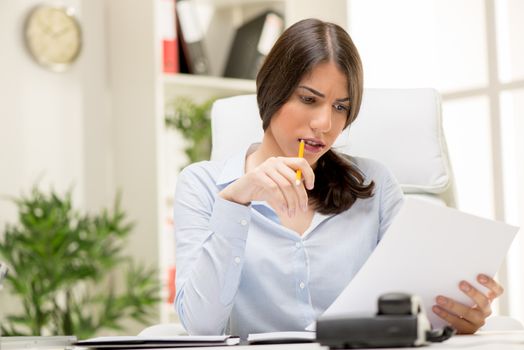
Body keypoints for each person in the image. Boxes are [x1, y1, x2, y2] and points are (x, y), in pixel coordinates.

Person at [173, 18, 503, 339]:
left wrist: (454, 315)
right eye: (309, 99)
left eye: (341, 107)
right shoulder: (203, 186)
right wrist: (236, 201)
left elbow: (415, 305)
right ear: (273, 90)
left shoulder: (373, 184)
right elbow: (202, 327)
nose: (325, 124)